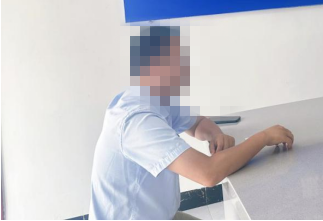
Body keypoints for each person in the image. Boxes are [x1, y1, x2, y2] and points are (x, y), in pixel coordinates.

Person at [89, 26, 294, 220]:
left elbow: (197, 124)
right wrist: (263, 138)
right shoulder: (137, 122)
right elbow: (208, 173)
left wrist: (216, 135)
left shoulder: (155, 97)